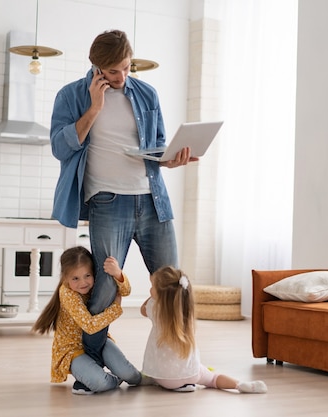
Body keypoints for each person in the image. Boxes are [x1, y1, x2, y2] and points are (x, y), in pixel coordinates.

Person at [50, 29, 194, 366]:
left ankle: (179, 363)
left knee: (175, 284)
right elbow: (60, 147)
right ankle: (92, 363)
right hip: (108, 202)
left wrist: (173, 159)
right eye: (113, 71)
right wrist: (94, 108)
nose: (122, 77)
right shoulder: (72, 95)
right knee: (104, 289)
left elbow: (158, 147)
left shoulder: (146, 94)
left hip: (152, 200)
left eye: (127, 68)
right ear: (97, 67)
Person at [31, 246, 141, 395]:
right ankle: (113, 379)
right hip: (72, 349)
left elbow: (125, 291)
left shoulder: (95, 284)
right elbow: (89, 326)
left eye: (87, 275)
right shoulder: (67, 292)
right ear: (65, 278)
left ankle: (146, 377)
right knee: (100, 383)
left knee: (132, 376)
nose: (83, 282)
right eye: (75, 278)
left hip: (99, 339)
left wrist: (118, 274)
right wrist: (115, 309)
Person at [140, 266, 268, 394]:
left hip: (164, 379)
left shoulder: (154, 309)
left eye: (152, 287)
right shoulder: (187, 313)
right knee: (213, 378)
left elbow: (142, 310)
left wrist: (153, 296)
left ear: (160, 294)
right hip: (192, 373)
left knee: (152, 371)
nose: (150, 289)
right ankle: (240, 385)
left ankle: (162, 381)